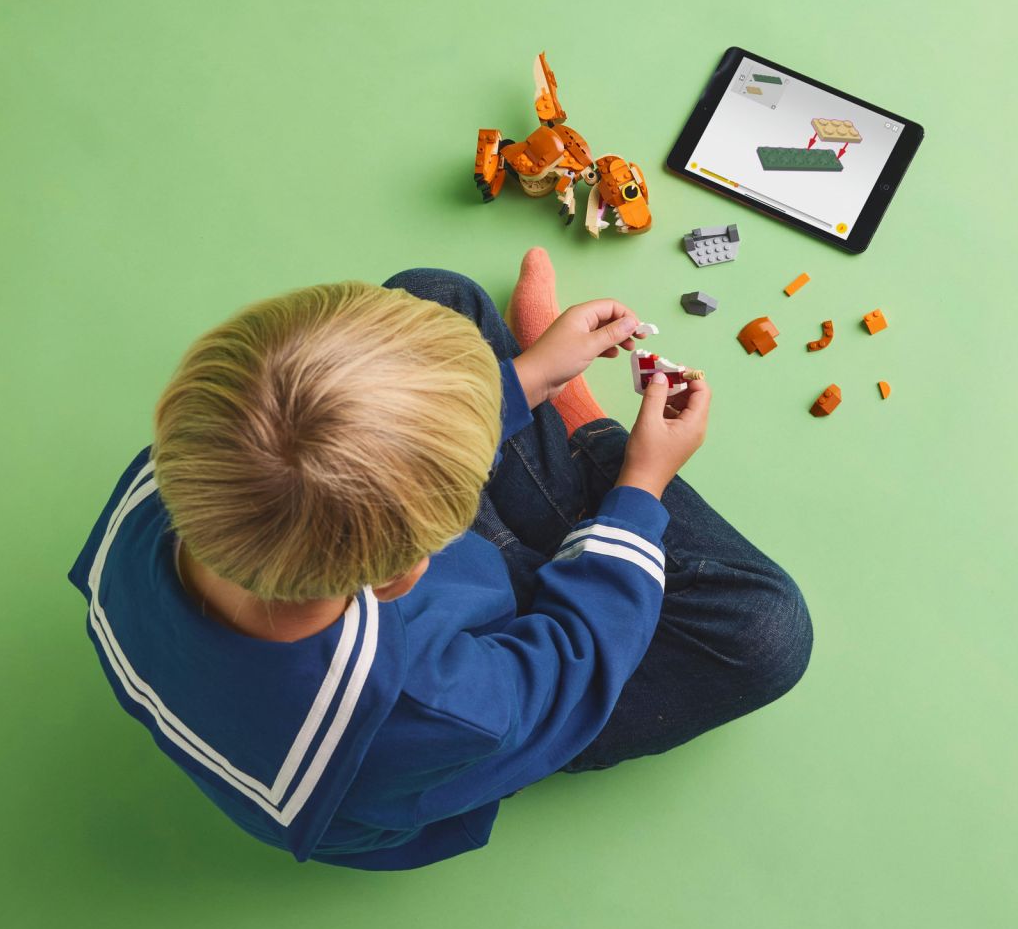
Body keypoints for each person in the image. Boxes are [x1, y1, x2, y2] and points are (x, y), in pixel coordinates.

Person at [68, 247, 812, 868]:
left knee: (435, 294)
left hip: (364, 607)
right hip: (442, 730)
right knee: (764, 632)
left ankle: (568, 461)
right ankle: (596, 446)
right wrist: (644, 482)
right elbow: (573, 661)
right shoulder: (445, 712)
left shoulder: (188, 468)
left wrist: (529, 375)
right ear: (407, 572)